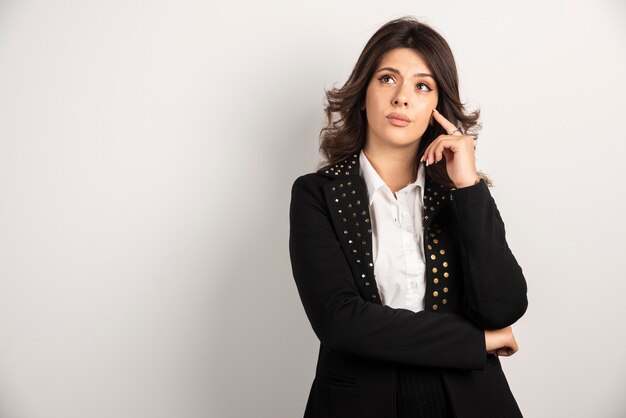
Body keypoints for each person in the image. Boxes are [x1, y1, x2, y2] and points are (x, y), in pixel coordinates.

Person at [288, 16, 528, 418]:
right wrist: (476, 342)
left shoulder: (460, 195)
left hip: (470, 402)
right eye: (387, 79)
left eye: (422, 86)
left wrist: (468, 186)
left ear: (438, 106)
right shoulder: (316, 194)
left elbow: (502, 308)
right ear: (363, 91)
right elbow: (341, 322)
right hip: (359, 403)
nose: (402, 98)